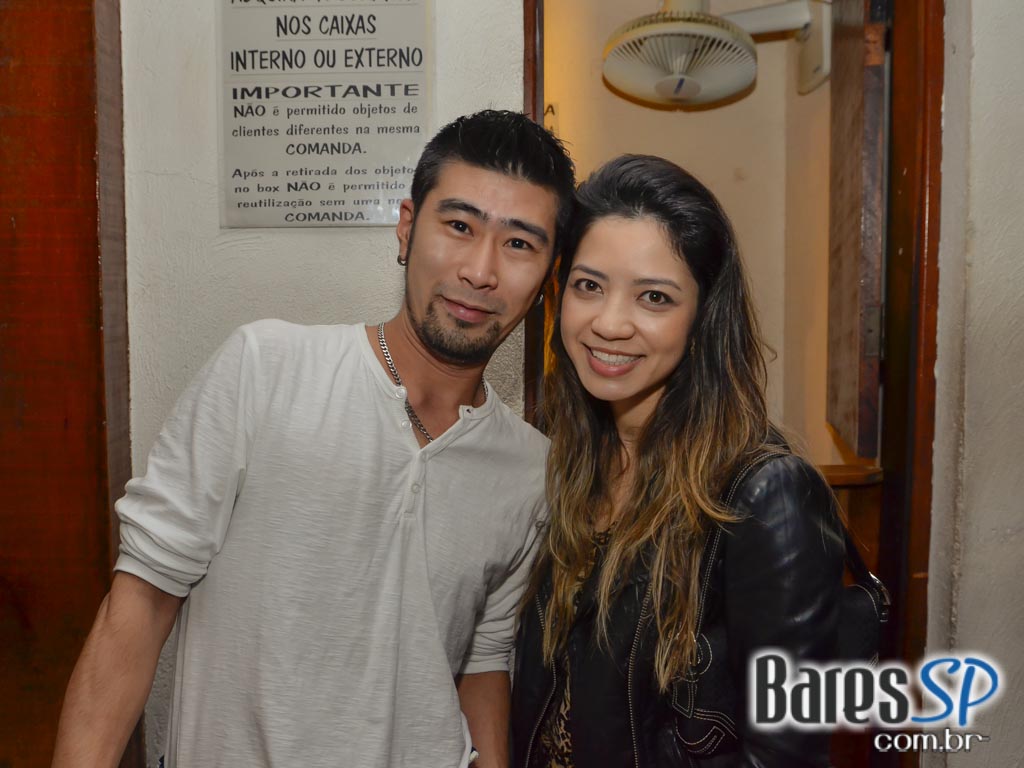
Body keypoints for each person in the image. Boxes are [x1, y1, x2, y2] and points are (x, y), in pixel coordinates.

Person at [52, 110, 575, 768]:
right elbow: (141, 604)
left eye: (520, 244)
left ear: (547, 278)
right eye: (459, 226)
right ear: (408, 227)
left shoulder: (531, 469)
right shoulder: (264, 369)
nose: (480, 270)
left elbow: (482, 661)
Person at [511, 155, 844, 767]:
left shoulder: (767, 497)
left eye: (654, 297)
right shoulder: (562, 459)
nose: (610, 323)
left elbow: (787, 756)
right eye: (589, 286)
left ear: (702, 317)